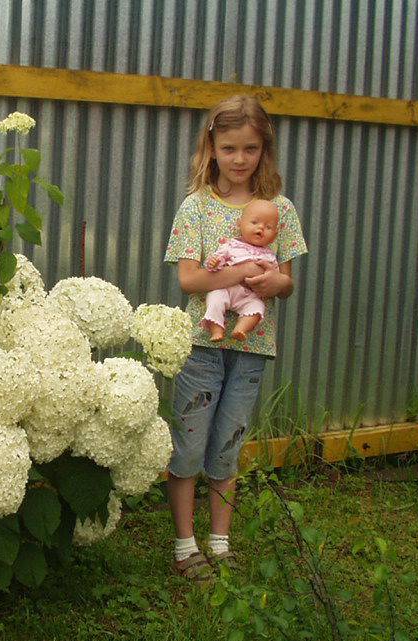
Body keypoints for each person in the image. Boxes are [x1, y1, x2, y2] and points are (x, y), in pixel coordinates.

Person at [163, 94, 308, 583]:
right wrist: (238, 274)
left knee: (228, 445)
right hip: (202, 347)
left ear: (263, 150)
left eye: (250, 149)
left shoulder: (278, 209)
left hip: (252, 350)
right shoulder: (196, 209)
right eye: (230, 149)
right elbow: (187, 281)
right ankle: (186, 545)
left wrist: (274, 284)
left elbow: (287, 280)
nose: (240, 159)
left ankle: (220, 544)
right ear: (212, 147)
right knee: (188, 444)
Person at [200, 199, 281, 342]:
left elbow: (274, 276)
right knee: (214, 299)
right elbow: (218, 261)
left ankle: (241, 328)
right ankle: (216, 329)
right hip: (226, 289)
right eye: (254, 222)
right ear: (240, 224)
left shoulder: (270, 255)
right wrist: (214, 263)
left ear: (274, 235)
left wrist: (272, 279)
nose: (260, 228)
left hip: (250, 296)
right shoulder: (231, 245)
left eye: (268, 227)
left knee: (257, 308)